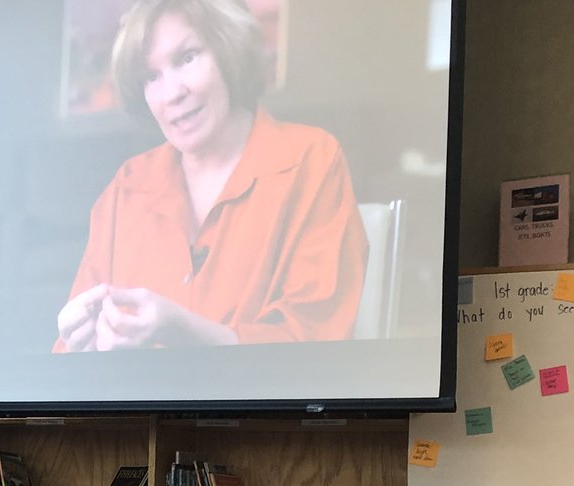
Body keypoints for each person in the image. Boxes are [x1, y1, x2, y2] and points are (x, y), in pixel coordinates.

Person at [55, 0, 368, 353]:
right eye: (150, 76)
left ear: (226, 52)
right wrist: (80, 345)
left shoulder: (311, 160)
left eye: (187, 58)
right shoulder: (126, 186)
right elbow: (72, 360)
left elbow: (316, 347)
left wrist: (181, 331)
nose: (172, 93)